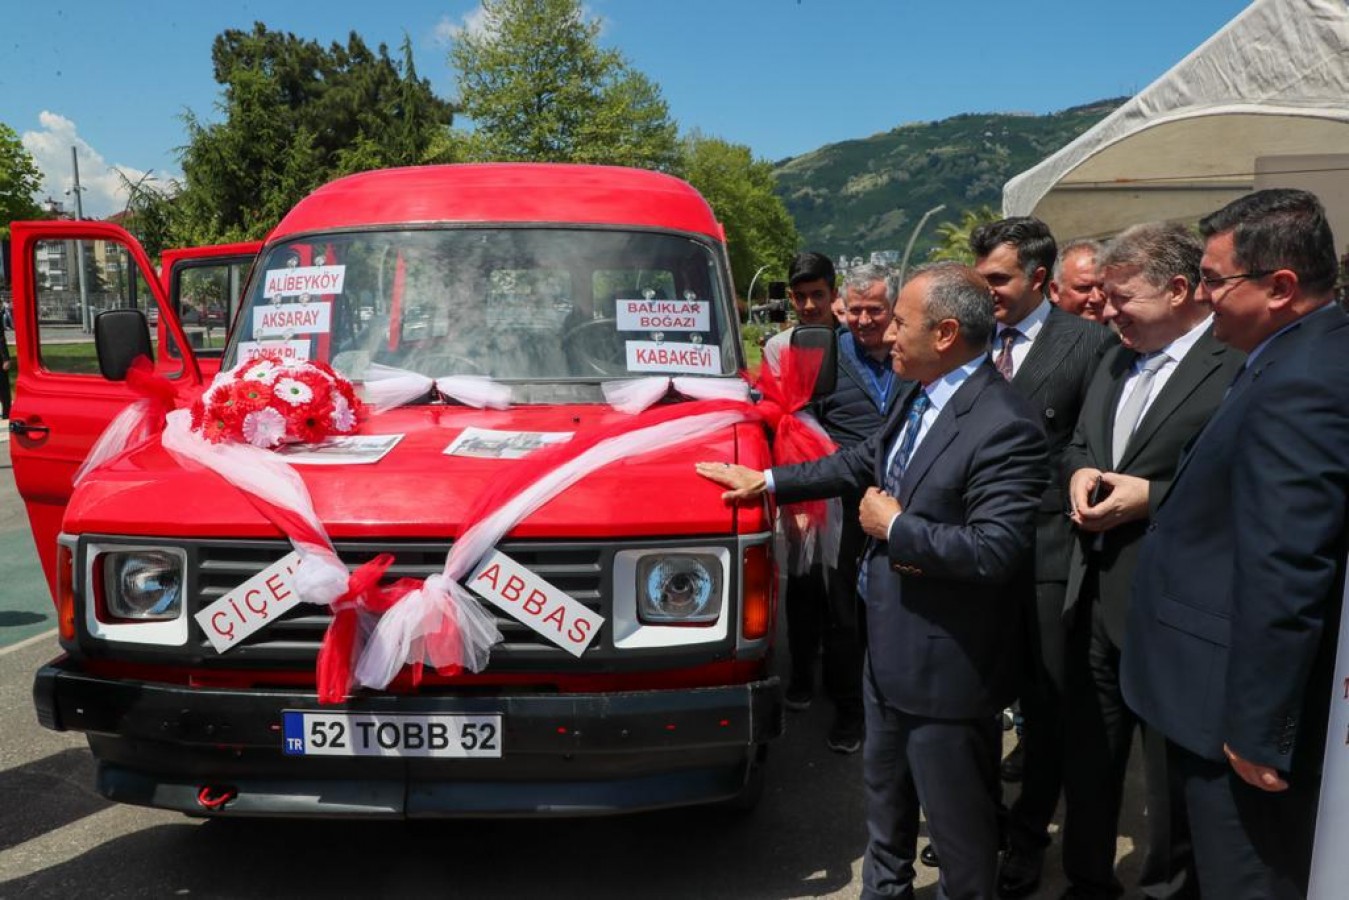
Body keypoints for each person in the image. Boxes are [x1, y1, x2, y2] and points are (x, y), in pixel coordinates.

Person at [697, 262, 1048, 899]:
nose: (886, 335)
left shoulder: (1005, 427)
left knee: (959, 831)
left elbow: (995, 551)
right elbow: (866, 459)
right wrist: (769, 481)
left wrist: (897, 526)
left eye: (901, 323)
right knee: (884, 810)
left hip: (945, 669)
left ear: (944, 333)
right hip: (885, 645)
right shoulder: (922, 389)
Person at [1121, 188, 1349, 899]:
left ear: (1280, 287)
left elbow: (1287, 564)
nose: (1204, 296)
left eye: (1216, 281)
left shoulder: (1303, 381)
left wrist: (1257, 730)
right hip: (1207, 696)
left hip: (1234, 719)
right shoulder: (1291, 356)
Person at [1060, 222, 1244, 900]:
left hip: (1176, 615)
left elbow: (1250, 487)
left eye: (1120, 298)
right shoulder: (1112, 358)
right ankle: (1084, 882)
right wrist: (1077, 474)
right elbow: (1079, 442)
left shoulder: (1235, 365)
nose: (1104, 313)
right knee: (1089, 760)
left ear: (1177, 289)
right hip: (1094, 604)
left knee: (1169, 781)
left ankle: (1165, 888)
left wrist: (1154, 499)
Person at [971, 215, 1115, 897]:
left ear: (1037, 277)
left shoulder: (1087, 345)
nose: (985, 291)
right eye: (980, 278)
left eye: (997, 278)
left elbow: (1091, 446)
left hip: (1045, 554)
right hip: (967, 552)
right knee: (967, 696)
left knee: (1043, 705)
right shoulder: (966, 338)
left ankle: (1027, 836)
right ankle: (973, 823)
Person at [806, 262, 905, 753]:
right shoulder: (827, 358)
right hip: (843, 507)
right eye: (857, 310)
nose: (865, 320)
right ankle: (849, 714)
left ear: (895, 309)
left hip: (907, 506)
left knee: (901, 610)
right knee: (844, 616)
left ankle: (896, 706)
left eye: (876, 310)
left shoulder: (916, 355)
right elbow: (803, 427)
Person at [759, 252, 843, 734]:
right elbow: (778, 413)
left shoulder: (855, 342)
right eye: (802, 296)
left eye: (819, 295)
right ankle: (802, 674)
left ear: (834, 293)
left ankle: (841, 675)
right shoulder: (778, 347)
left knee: (846, 583)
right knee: (805, 578)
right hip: (801, 475)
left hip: (850, 474)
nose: (810, 305)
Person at [1050, 240, 1107, 322]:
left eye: (1103, 286)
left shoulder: (1128, 331)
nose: (1097, 298)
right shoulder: (1037, 333)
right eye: (1084, 288)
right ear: (1055, 291)